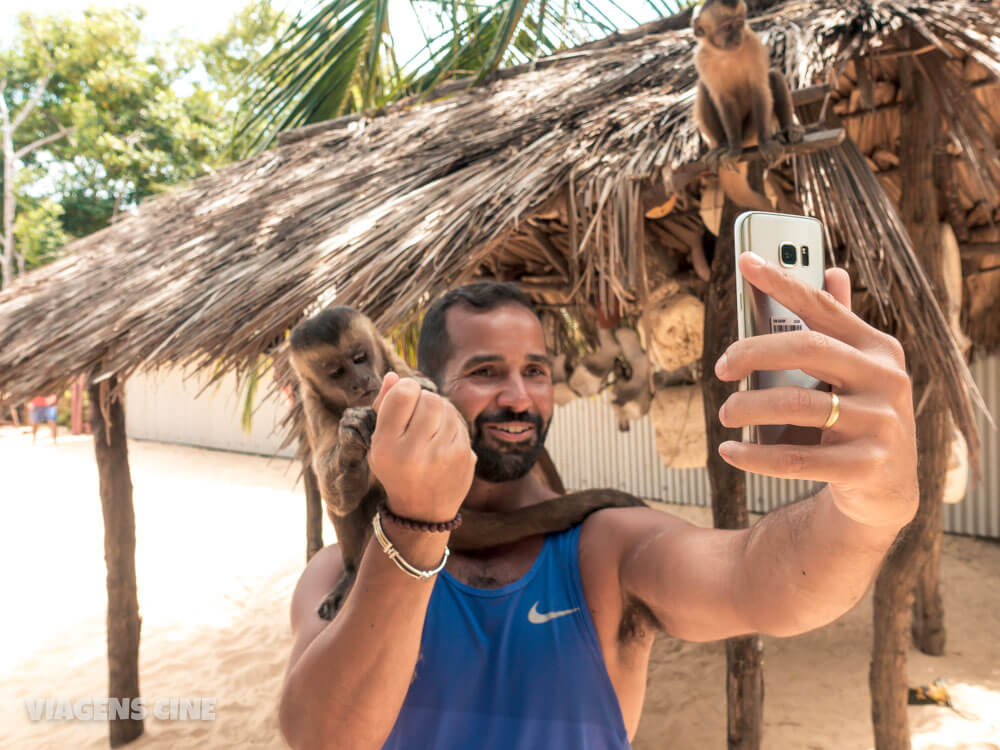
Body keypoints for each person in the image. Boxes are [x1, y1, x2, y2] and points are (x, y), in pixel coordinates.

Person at [278, 253, 918, 749]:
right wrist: (416, 523)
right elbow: (319, 736)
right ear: (425, 388)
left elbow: (766, 581)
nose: (519, 396)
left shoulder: (605, 548)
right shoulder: (344, 574)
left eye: (534, 370)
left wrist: (865, 513)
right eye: (484, 372)